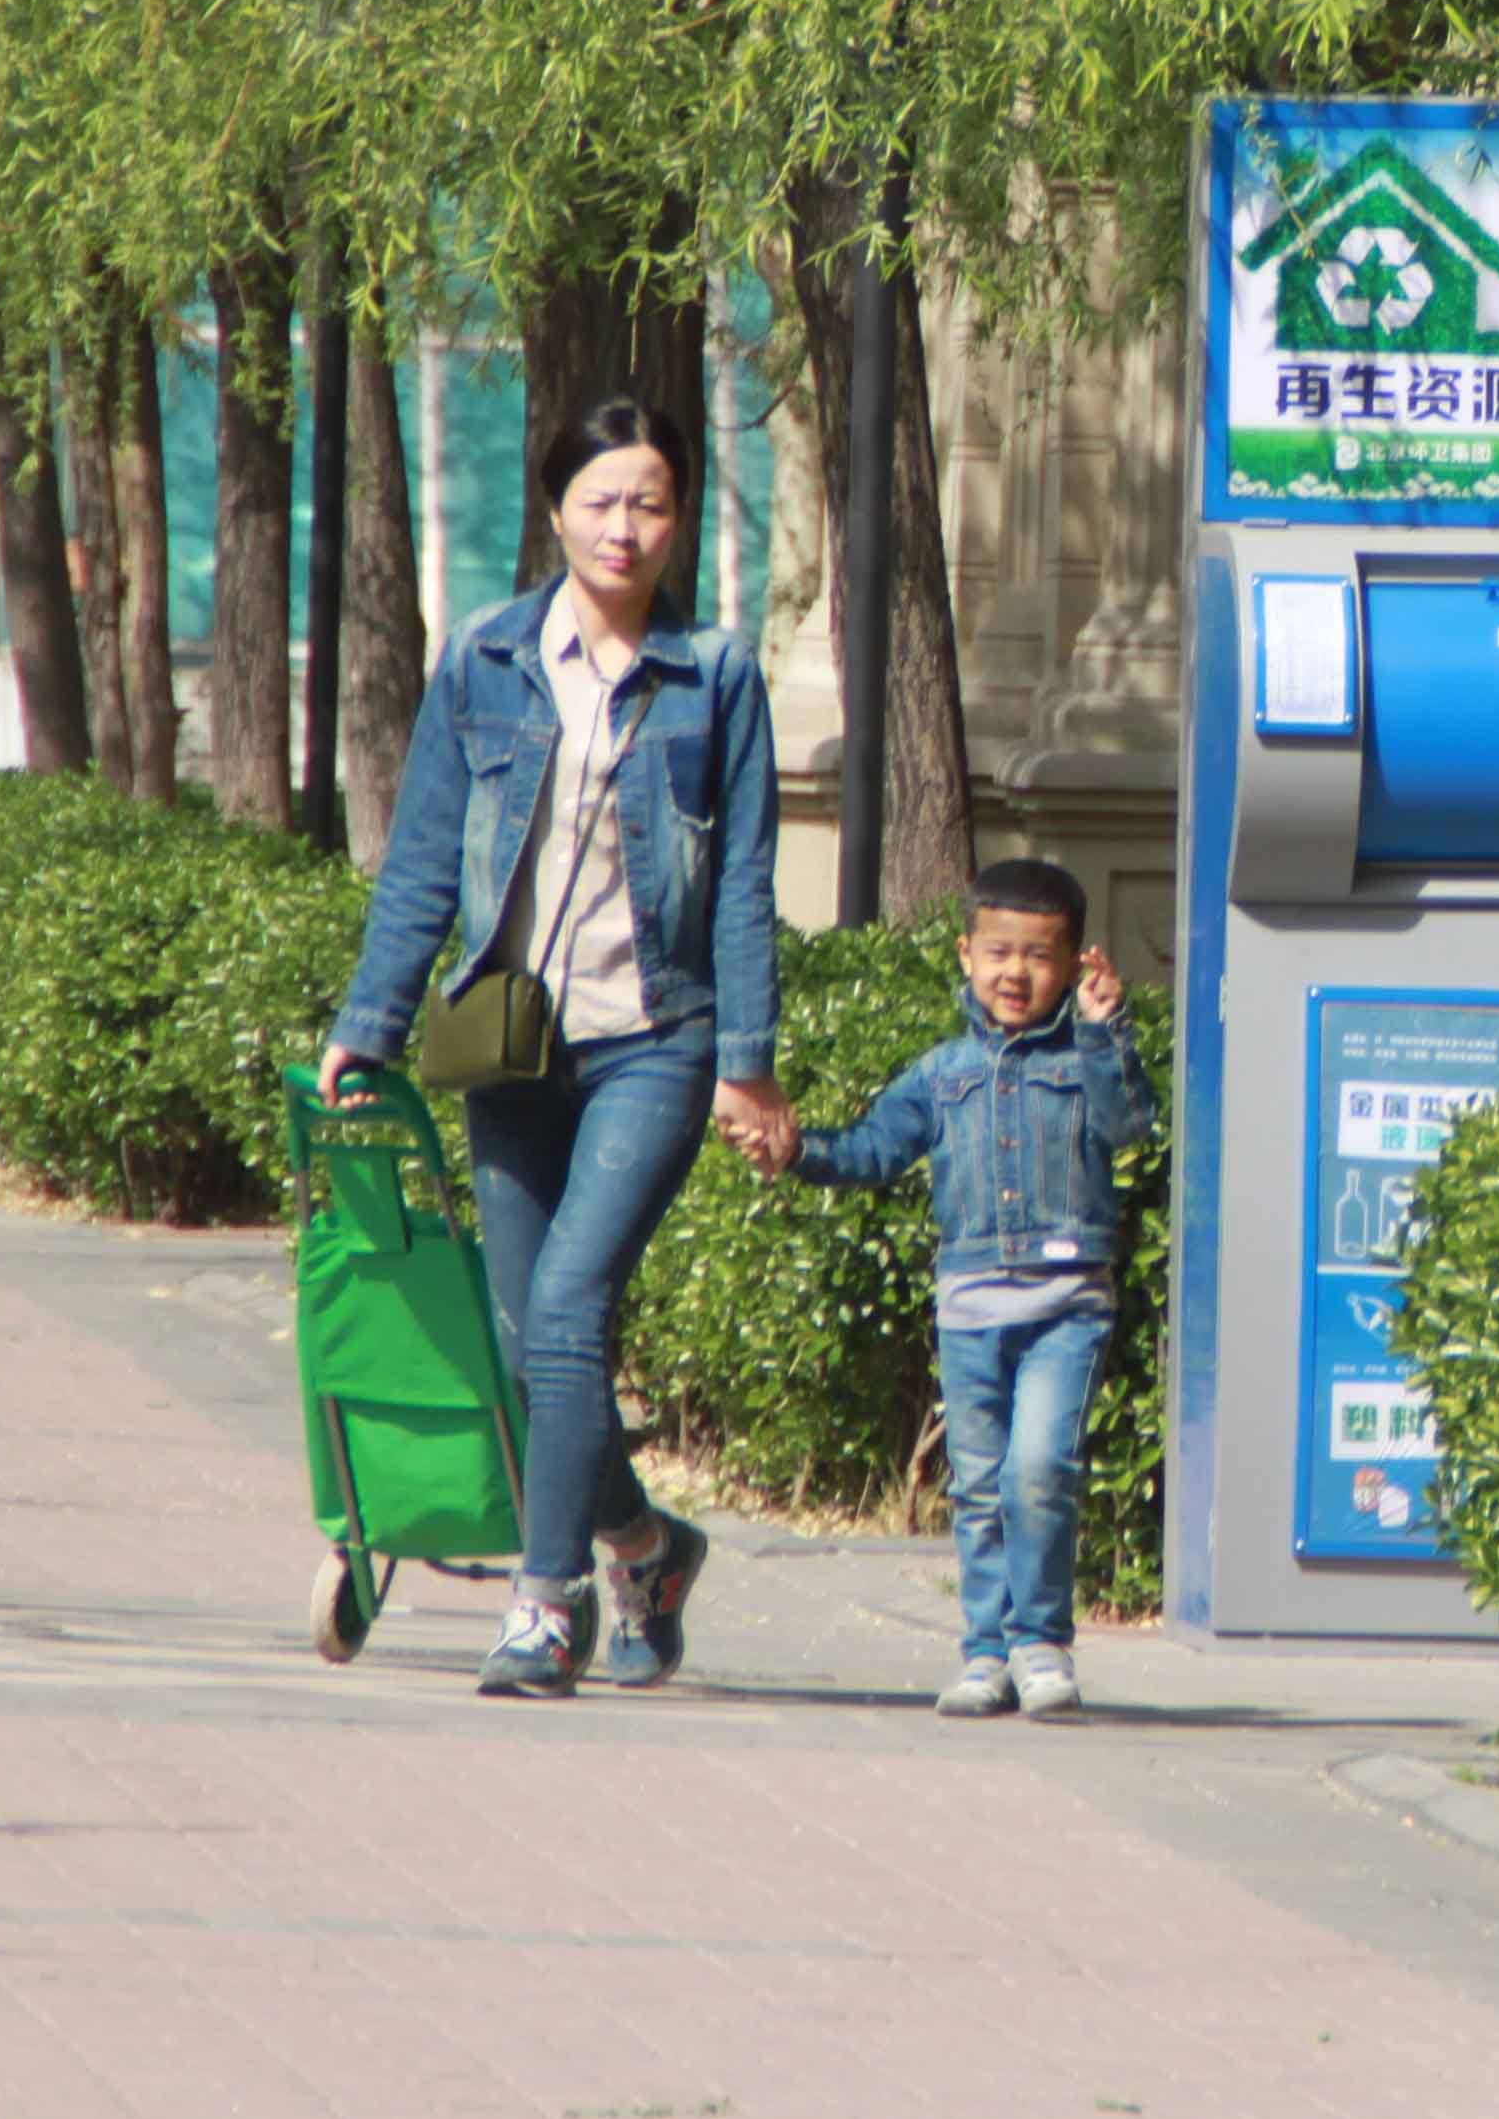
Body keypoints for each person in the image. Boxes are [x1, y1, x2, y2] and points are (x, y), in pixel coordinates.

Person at [317, 397, 790, 1697]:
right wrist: (369, 1024)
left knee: (571, 1308)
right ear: (556, 510)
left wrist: (746, 1060)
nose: (624, 527)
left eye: (650, 502)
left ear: (678, 518)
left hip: (655, 1040)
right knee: (529, 1342)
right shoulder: (485, 658)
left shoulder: (717, 677)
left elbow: (745, 883)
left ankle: (548, 1601)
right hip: (510, 1039)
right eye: (601, 500)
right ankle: (645, 1545)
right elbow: (424, 857)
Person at [769, 859, 1153, 1720]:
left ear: (1074, 964)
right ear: (966, 955)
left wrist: (1107, 1031)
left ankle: (1041, 1642)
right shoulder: (940, 1073)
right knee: (979, 1487)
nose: (1016, 973)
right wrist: (797, 1152)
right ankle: (986, 1652)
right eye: (999, 953)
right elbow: (872, 1150)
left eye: (1040, 957)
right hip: (971, 1308)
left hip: (1066, 1306)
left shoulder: (1086, 1058)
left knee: (1040, 1470)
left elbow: (1130, 1123)